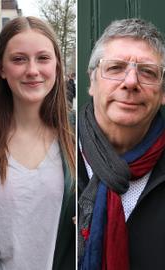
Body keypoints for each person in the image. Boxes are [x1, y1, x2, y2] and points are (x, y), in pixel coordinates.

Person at [0, 16, 76, 270]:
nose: (32, 70)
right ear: (1, 69)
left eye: (43, 58)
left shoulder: (78, 140)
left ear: (57, 66)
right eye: (19, 59)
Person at [78, 18, 165, 270]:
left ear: (162, 93)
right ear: (91, 82)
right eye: (115, 68)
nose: (130, 82)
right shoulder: (59, 155)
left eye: (148, 72)